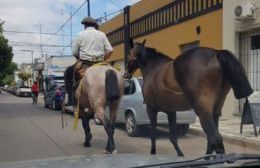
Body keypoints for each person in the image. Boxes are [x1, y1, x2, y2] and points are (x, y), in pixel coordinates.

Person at [72, 16, 113, 90]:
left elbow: (74, 52)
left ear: (84, 25)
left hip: (85, 63)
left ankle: (73, 95)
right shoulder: (102, 34)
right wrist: (102, 59)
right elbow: (110, 50)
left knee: (70, 73)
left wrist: (79, 58)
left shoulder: (80, 34)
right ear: (94, 25)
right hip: (100, 63)